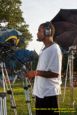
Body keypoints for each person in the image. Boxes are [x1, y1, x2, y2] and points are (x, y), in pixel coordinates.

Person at [25, 21, 62, 115]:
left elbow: (55, 73)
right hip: (41, 94)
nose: (37, 33)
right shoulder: (44, 49)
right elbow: (44, 70)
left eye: (39, 30)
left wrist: (35, 73)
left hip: (49, 95)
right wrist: (34, 74)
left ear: (47, 32)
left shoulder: (54, 49)